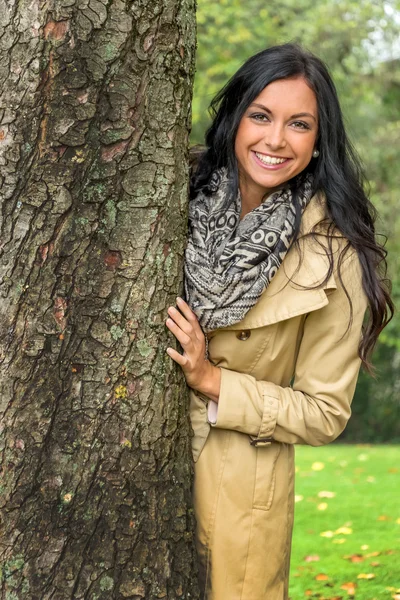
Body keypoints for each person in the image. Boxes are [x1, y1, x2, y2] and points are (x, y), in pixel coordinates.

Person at [165, 43, 393, 600]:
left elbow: (325, 412)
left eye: (299, 124)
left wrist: (214, 382)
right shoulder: (174, 192)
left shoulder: (335, 255)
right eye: (261, 116)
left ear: (318, 143)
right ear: (235, 117)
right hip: (134, 467)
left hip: (241, 493)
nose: (275, 140)